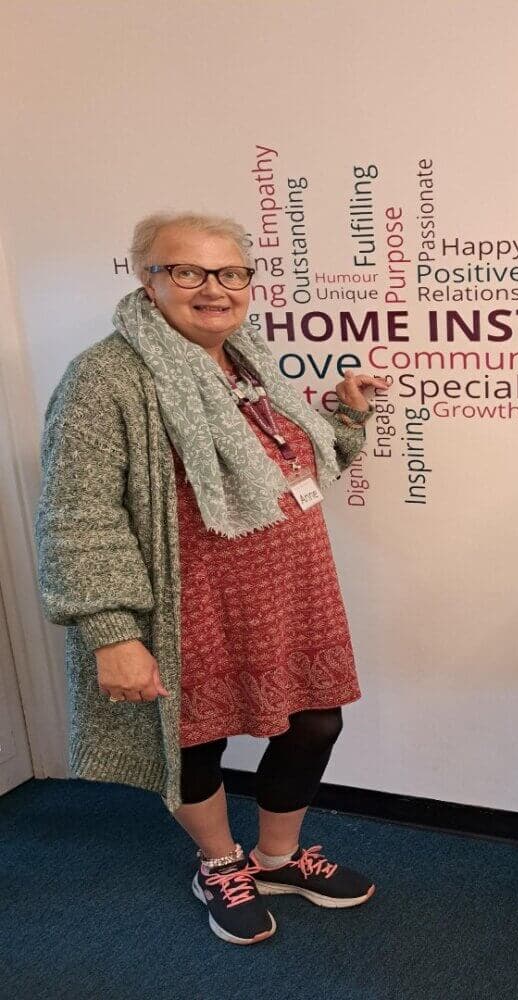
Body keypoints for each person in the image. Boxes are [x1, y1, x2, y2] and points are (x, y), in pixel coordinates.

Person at [35, 212, 389, 945]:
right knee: (193, 740)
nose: (214, 289)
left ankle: (277, 859)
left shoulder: (250, 361)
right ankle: (220, 863)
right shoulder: (106, 378)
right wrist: (111, 632)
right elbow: (78, 512)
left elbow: (295, 464)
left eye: (230, 273)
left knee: (316, 722)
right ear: (148, 279)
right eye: (187, 271)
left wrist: (345, 418)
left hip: (292, 593)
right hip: (190, 602)